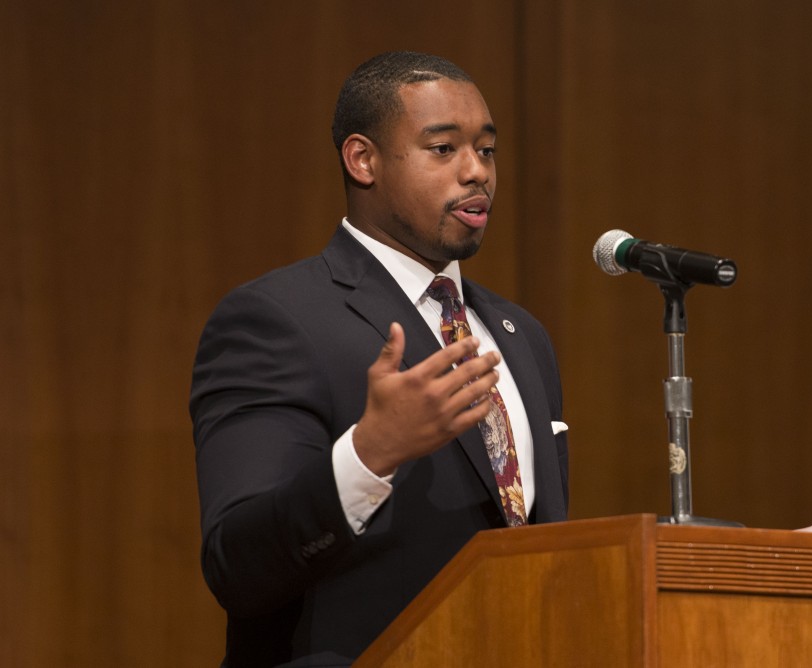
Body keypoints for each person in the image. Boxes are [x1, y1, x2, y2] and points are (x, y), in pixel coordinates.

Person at [190, 51, 569, 667]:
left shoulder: (519, 333)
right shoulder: (275, 320)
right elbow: (238, 564)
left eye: (488, 150)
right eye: (444, 149)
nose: (477, 172)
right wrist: (370, 453)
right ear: (362, 159)